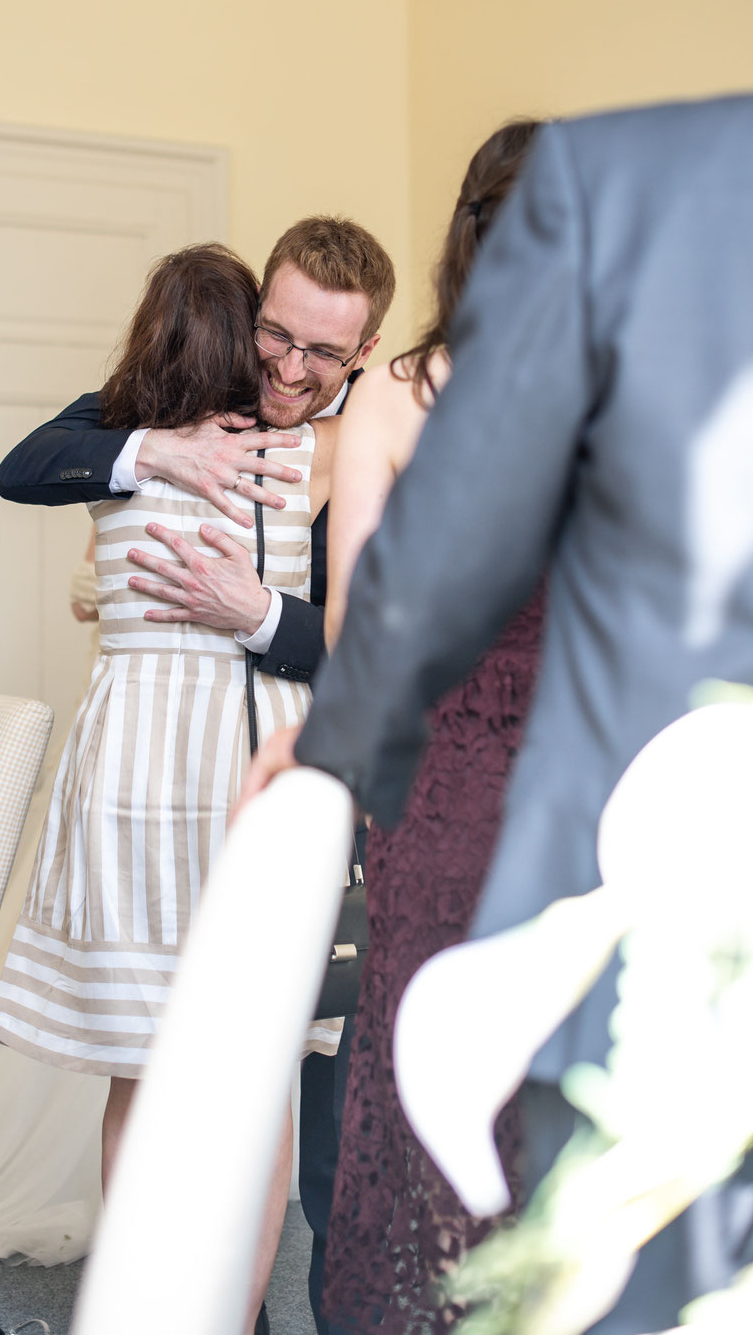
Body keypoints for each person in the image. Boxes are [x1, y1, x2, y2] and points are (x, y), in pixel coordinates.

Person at [243, 0, 753, 1335]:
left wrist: (330, 744)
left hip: (590, 804)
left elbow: (411, 584)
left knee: (586, 1164)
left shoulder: (635, 198)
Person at [0, 215, 396, 1335]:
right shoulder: (143, 425)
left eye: (320, 353)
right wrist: (161, 454)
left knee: (291, 1084)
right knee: (155, 1063)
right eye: (275, 334)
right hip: (160, 776)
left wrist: (259, 613)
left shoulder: (366, 451)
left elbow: (390, 644)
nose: (287, 366)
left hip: (288, 772)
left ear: (359, 355)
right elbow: (27, 463)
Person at [319, 121, 543, 1332]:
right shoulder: (401, 396)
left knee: (484, 1095)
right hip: (476, 789)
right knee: (480, 1095)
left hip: (528, 789)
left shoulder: (404, 398)